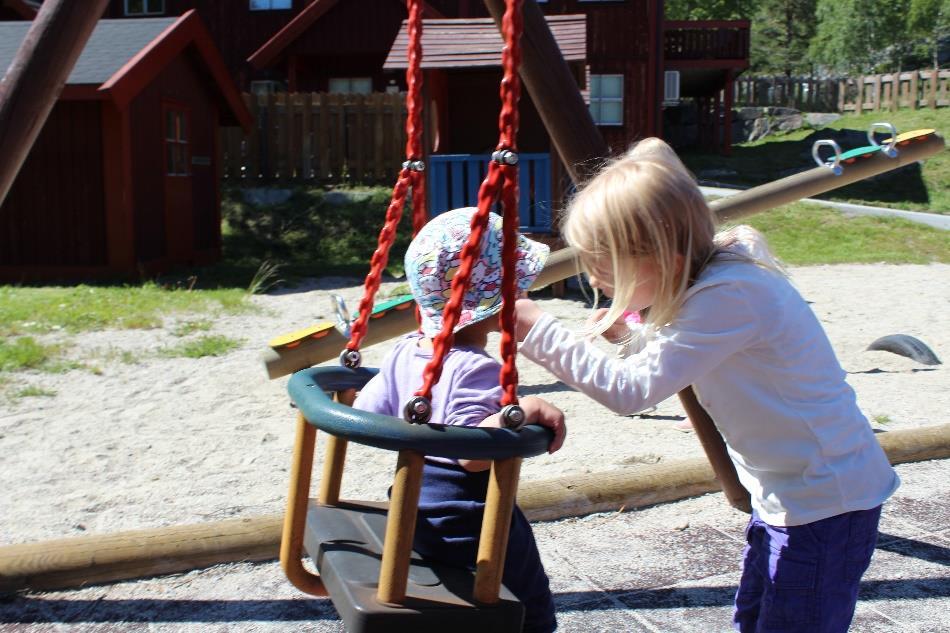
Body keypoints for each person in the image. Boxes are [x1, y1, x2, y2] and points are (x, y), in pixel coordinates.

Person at [513, 138, 899, 633]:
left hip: (826, 500)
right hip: (790, 494)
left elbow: (631, 392)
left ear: (661, 255)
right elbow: (690, 358)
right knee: (758, 617)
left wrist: (534, 326)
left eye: (601, 266)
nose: (593, 278)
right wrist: (632, 337)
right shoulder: (710, 282)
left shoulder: (732, 293)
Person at [354, 207, 566, 633]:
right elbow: (473, 454)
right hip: (465, 524)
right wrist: (525, 412)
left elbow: (365, 414)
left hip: (412, 514)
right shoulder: (476, 367)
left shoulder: (403, 352)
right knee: (529, 601)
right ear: (492, 301)